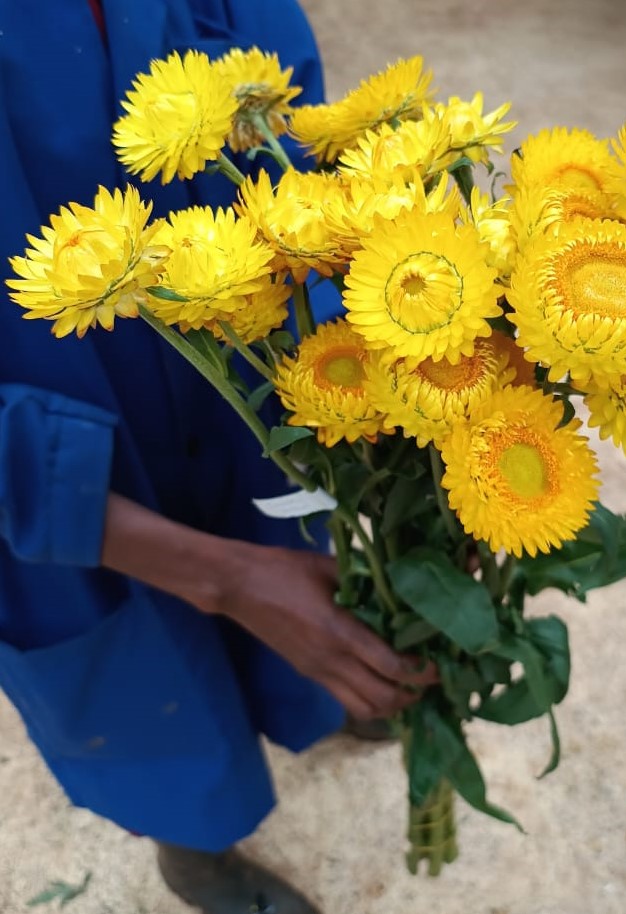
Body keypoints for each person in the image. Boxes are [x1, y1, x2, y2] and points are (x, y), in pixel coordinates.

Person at [0, 2, 434, 912]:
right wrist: (219, 577)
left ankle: (322, 694)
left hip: (244, 385)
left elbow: (293, 124)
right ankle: (198, 847)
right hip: (53, 459)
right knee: (145, 686)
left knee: (306, 588)